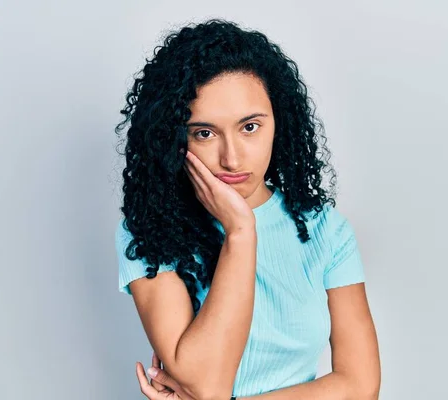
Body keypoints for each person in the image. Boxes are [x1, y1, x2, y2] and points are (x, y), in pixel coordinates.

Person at [114, 18, 381, 400]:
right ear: (174, 138)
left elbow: (360, 386)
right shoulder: (150, 231)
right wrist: (240, 232)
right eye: (204, 133)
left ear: (279, 122)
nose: (232, 157)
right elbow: (205, 383)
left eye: (250, 127)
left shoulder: (326, 231)